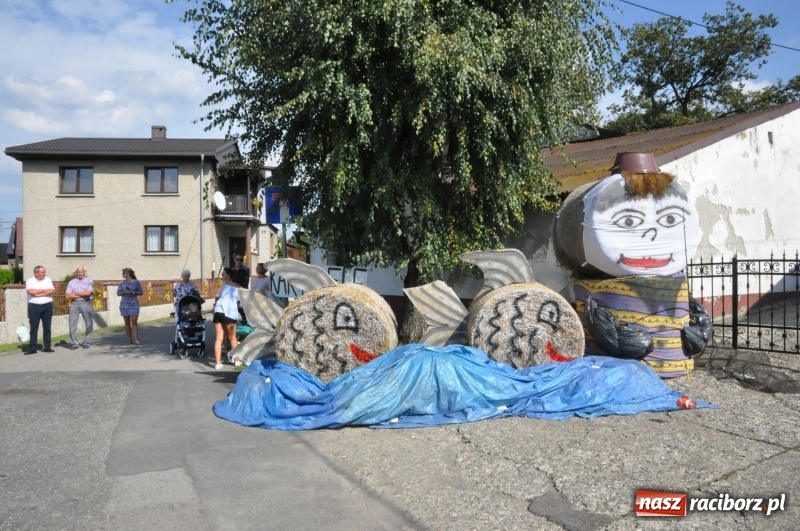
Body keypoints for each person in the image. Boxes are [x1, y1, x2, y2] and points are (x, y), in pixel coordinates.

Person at [213, 267, 242, 370]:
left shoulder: (224, 286)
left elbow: (219, 296)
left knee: (218, 338)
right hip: (229, 312)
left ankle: (218, 363)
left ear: (229, 275)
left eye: (223, 274)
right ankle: (237, 361)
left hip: (218, 311)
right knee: (232, 338)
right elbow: (241, 301)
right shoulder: (238, 287)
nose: (222, 276)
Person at [25, 265, 55, 355]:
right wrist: (44, 290)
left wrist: (38, 294)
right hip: (34, 307)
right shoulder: (30, 281)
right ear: (36, 273)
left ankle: (47, 347)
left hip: (47, 306)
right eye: (43, 272)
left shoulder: (48, 280)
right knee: (33, 328)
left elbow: (51, 291)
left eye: (45, 272)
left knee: (47, 327)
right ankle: (32, 348)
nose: (45, 274)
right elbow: (31, 292)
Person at [65, 266, 94, 350]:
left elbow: (88, 293)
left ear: (85, 272)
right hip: (74, 303)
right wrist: (81, 293)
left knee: (89, 323)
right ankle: (74, 343)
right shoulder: (71, 282)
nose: (80, 273)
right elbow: (67, 295)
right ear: (76, 272)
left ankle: (86, 342)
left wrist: (75, 294)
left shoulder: (89, 281)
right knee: (72, 323)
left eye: (82, 272)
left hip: (86, 302)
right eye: (78, 272)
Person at [117, 268, 143, 345]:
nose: (122, 274)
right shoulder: (122, 283)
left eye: (123, 273)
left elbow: (141, 292)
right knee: (127, 322)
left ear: (128, 273)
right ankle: (129, 339)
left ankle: (135, 339)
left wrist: (133, 292)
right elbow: (118, 293)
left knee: (134, 321)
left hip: (134, 303)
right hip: (124, 303)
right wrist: (125, 292)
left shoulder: (136, 282)